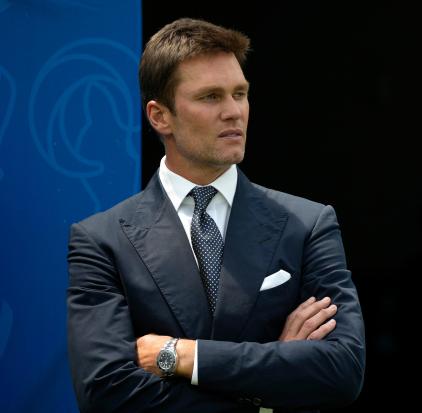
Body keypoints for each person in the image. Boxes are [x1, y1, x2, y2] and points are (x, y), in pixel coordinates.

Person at [66, 17, 365, 413]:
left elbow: (343, 370)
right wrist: (269, 385)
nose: (233, 112)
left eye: (240, 94)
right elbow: (106, 390)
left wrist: (183, 356)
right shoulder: (101, 240)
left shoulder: (308, 223)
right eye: (210, 97)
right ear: (160, 116)